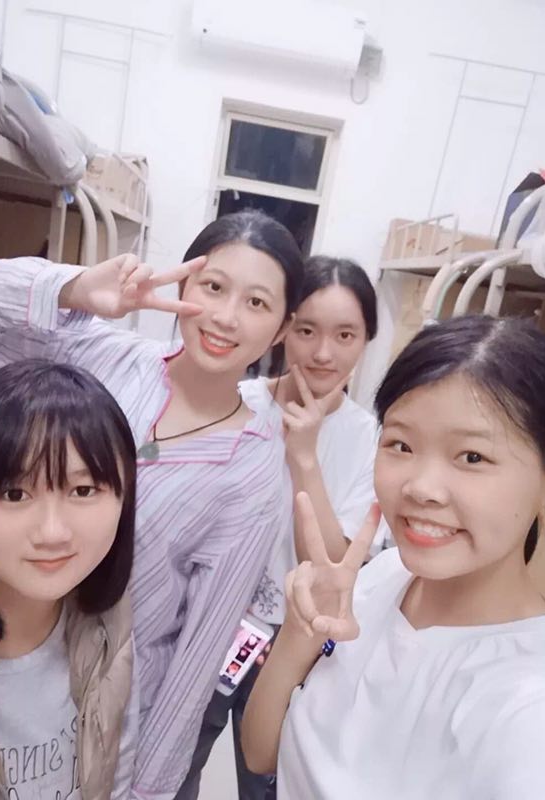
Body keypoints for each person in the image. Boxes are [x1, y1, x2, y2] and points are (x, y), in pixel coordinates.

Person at [0, 209, 303, 798]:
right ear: (182, 282)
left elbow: (197, 656)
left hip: (107, 708)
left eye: (256, 302)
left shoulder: (253, 471)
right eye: (213, 286)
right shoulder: (102, 355)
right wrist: (73, 287)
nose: (225, 316)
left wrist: (148, 790)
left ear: (281, 328)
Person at [242, 315, 545, 799]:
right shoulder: (381, 577)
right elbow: (261, 756)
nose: (421, 488)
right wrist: (298, 634)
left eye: (472, 457)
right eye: (401, 444)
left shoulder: (532, 705)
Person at [177, 256, 389, 799]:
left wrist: (304, 456)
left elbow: (332, 565)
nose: (323, 353)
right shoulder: (238, 402)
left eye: (345, 335)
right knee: (172, 770)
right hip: (208, 624)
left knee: (268, 783)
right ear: (283, 328)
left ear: (367, 339)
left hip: (296, 643)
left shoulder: (372, 440)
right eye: (307, 330)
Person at [0, 360, 138, 800]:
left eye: (83, 490)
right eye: (15, 494)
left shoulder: (109, 624)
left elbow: (116, 775)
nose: (53, 532)